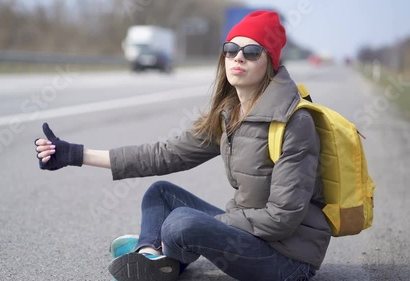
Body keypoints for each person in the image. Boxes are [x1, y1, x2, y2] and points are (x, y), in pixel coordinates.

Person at [34, 10, 331, 281]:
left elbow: (281, 219)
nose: (238, 58)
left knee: (180, 223)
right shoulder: (231, 113)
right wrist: (74, 154)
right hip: (250, 235)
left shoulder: (294, 122)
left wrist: (212, 224)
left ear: (270, 62)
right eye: (231, 50)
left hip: (287, 259)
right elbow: (165, 154)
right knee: (161, 195)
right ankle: (152, 256)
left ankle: (156, 246)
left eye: (251, 52)